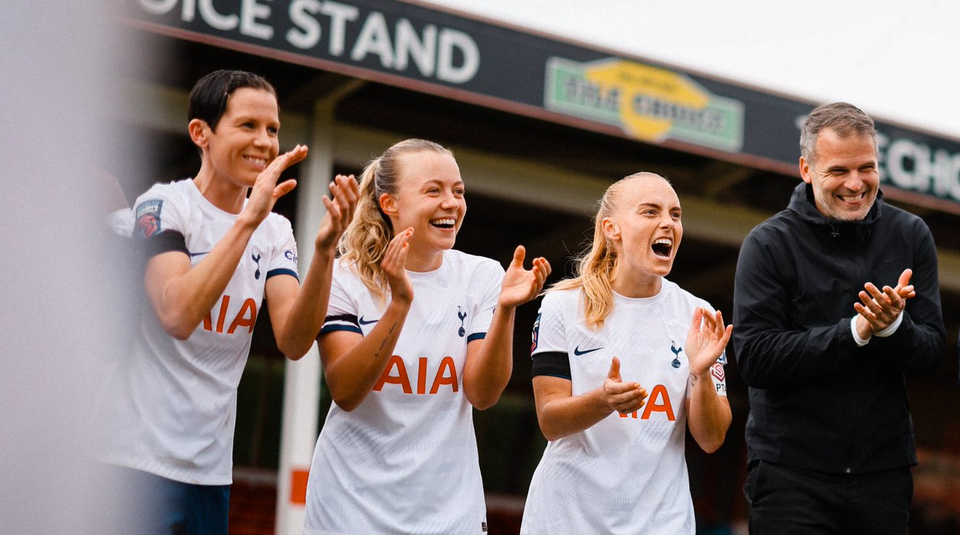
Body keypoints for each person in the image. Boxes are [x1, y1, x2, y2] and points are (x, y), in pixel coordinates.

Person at [96, 69, 358, 535]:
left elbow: (295, 340)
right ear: (201, 133)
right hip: (131, 464)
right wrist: (248, 218)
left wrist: (323, 252)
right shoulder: (163, 205)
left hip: (210, 473)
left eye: (273, 129)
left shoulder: (275, 230)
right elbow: (177, 313)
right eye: (247, 126)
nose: (264, 141)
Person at [302, 138, 551, 534]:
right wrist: (400, 303)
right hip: (350, 509)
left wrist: (506, 310)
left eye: (458, 191)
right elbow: (346, 391)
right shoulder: (344, 278)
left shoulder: (481, 276)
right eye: (433, 190)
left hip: (450, 514)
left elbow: (483, 395)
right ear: (391, 204)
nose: (452, 202)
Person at [733, 102, 946, 534]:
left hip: (882, 476)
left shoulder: (911, 235)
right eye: (838, 171)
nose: (855, 184)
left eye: (866, 167)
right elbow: (754, 358)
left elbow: (933, 353)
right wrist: (856, 332)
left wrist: (892, 328)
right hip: (789, 475)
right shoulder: (768, 243)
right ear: (806, 169)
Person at [520, 172, 732, 534]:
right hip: (566, 520)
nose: (667, 223)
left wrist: (700, 374)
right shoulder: (562, 305)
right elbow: (550, 421)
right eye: (650, 212)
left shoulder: (697, 314)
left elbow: (711, 439)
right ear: (612, 229)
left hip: (661, 524)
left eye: (675, 215)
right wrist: (603, 400)